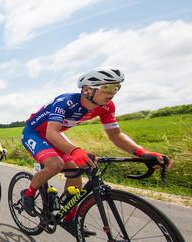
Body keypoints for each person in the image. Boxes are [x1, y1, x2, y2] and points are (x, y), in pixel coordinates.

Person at [19, 68, 170, 216]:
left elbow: (116, 135)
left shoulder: (106, 107)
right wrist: (75, 151)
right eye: (106, 87)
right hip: (34, 133)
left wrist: (141, 152)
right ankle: (28, 193)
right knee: (55, 164)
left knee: (75, 170)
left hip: (56, 134)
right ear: (86, 90)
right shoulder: (65, 101)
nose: (112, 92)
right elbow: (51, 133)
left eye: (116, 87)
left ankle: (68, 216)